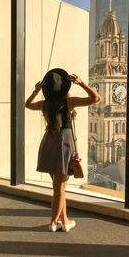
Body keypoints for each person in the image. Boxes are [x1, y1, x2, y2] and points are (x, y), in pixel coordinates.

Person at [25, 68, 101, 232]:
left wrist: (36, 90)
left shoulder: (44, 104)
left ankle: (65, 222)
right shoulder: (69, 102)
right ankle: (53, 223)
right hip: (63, 144)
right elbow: (96, 98)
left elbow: (27, 104)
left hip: (48, 144)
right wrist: (81, 83)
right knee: (59, 188)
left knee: (59, 187)